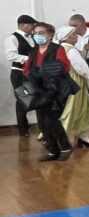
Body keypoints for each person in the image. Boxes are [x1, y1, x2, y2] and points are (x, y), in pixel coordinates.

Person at [23, 22, 74, 162]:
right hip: (40, 90)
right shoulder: (33, 51)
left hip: (57, 89)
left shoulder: (57, 49)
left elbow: (64, 67)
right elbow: (27, 69)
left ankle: (65, 147)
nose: (37, 36)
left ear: (50, 34)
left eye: (41, 33)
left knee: (52, 120)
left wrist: (42, 73)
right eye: (35, 33)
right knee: (42, 122)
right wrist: (34, 77)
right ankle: (52, 150)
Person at [55, 26, 89, 149]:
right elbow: (82, 68)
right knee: (75, 109)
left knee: (81, 108)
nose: (76, 36)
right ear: (66, 37)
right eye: (73, 34)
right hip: (76, 82)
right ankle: (62, 139)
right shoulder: (71, 50)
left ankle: (84, 137)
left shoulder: (61, 48)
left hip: (67, 81)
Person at [6, 14, 36, 136]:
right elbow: (11, 56)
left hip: (32, 73)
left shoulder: (33, 37)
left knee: (34, 99)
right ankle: (23, 129)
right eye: (31, 25)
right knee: (22, 100)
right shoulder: (12, 38)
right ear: (23, 25)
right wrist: (29, 59)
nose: (33, 27)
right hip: (19, 73)